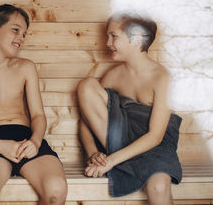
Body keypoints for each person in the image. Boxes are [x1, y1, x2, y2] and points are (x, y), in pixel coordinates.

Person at [0, 4, 67, 205]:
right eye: (15, 30)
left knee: (56, 189)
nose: (21, 38)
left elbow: (38, 116)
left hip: (25, 139)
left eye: (24, 34)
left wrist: (34, 142)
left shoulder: (25, 68)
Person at [77, 13, 182, 205]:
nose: (107, 42)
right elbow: (86, 121)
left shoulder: (161, 77)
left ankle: (123, 163)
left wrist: (111, 161)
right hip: (120, 142)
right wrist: (93, 153)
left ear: (136, 38)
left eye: (113, 36)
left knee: (158, 186)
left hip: (155, 148)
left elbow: (156, 136)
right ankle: (122, 160)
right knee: (87, 85)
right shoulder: (113, 76)